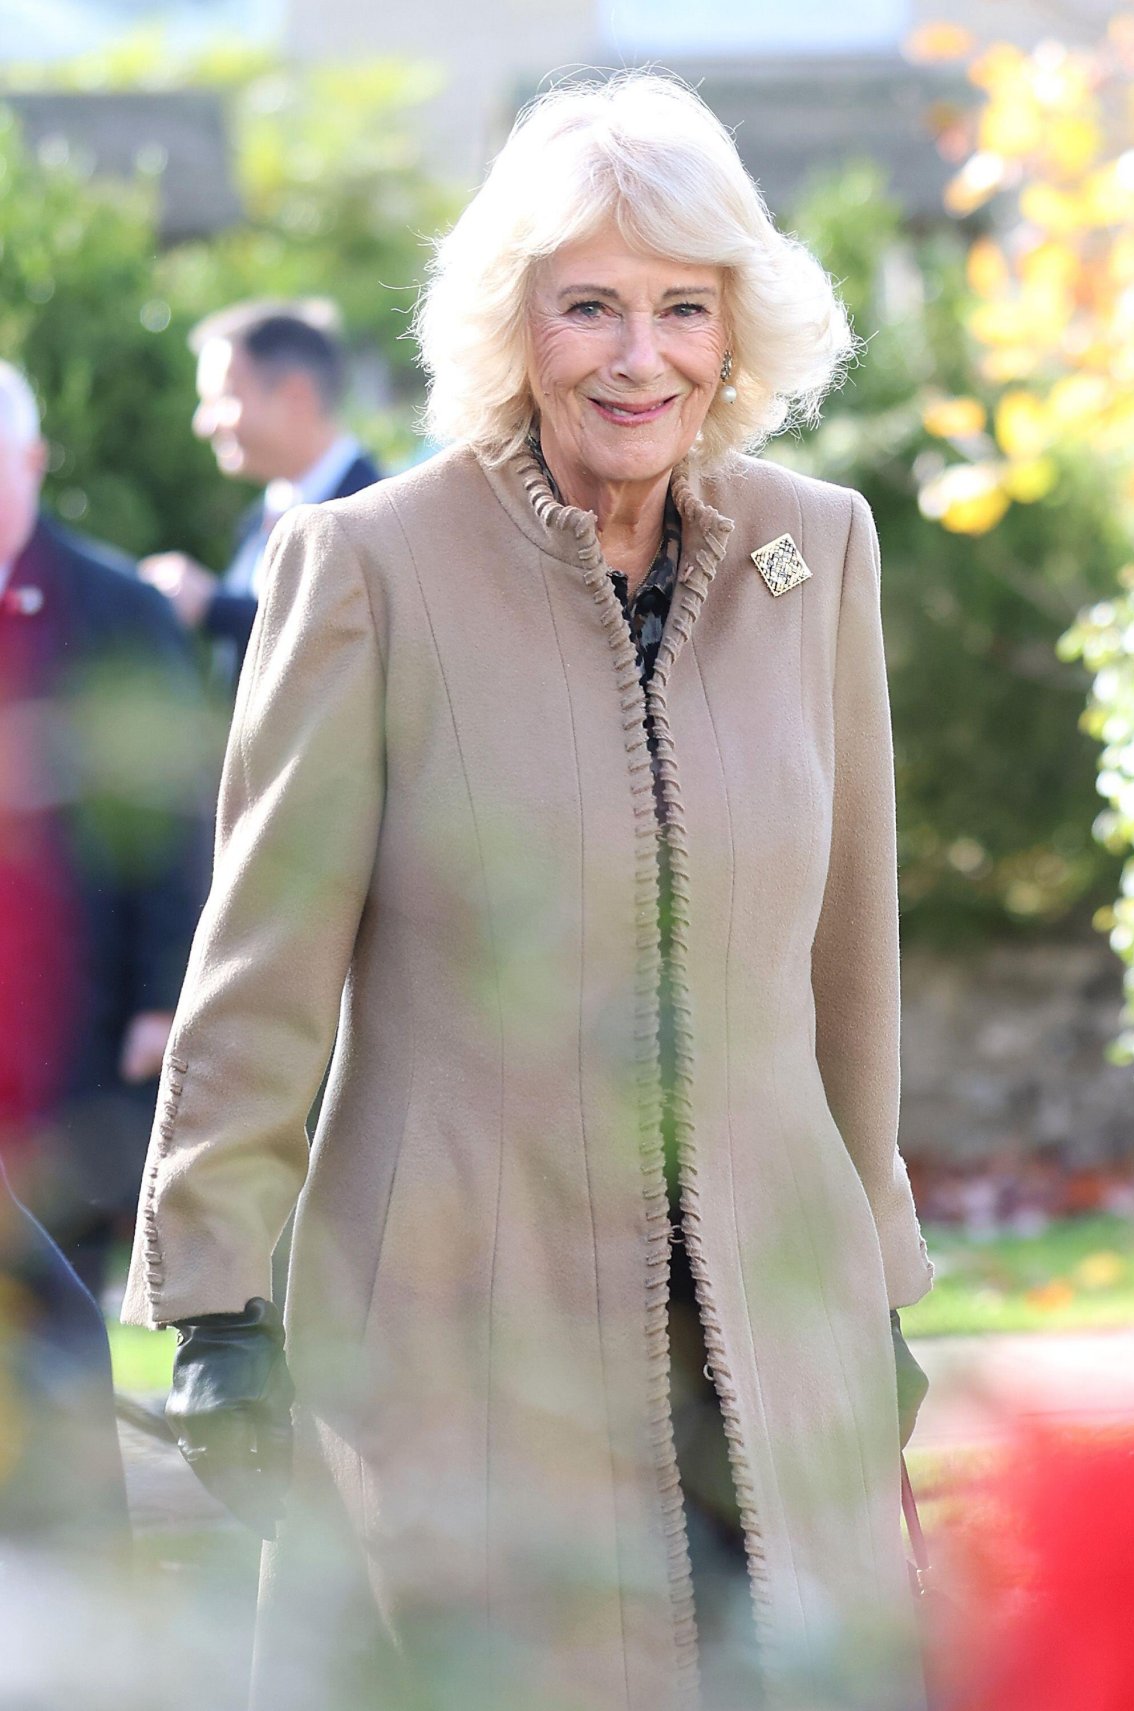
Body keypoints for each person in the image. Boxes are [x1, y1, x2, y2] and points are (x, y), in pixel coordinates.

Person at [123, 75, 933, 1711]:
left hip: (768, 1346)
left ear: (737, 328)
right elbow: (263, 964)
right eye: (591, 308)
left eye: (683, 308)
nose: (642, 357)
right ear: (514, 326)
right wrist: (217, 1301)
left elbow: (850, 965)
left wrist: (876, 1279)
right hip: (465, 1317)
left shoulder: (814, 551)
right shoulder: (368, 565)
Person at [0, 360, 209, 1297]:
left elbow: (175, 811)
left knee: (57, 1294)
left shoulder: (116, 608)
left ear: (33, 459)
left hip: (69, 1009)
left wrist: (162, 997)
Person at [139, 301, 382, 686]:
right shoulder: (259, 518)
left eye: (223, 398)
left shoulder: (375, 514)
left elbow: (334, 651)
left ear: (296, 396)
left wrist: (212, 606)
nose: (202, 424)